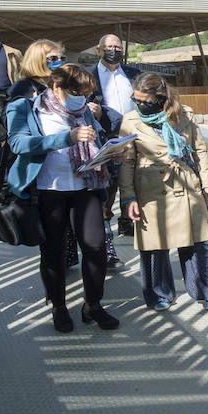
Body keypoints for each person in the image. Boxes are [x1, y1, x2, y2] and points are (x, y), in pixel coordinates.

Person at [7, 63, 119, 334]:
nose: (82, 98)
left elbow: (97, 140)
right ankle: (58, 306)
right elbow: (18, 143)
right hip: (48, 190)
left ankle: (93, 304)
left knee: (95, 247)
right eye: (76, 91)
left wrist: (112, 153)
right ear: (56, 87)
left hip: (87, 186)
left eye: (86, 93)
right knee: (53, 252)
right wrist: (65, 138)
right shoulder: (26, 108)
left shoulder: (84, 111)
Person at [117, 73, 208, 312]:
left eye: (145, 102)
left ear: (160, 99)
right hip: (150, 188)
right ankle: (159, 294)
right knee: (154, 246)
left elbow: (199, 150)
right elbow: (126, 162)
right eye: (135, 100)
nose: (139, 105)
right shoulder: (129, 121)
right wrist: (128, 198)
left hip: (186, 185)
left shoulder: (185, 114)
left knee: (200, 241)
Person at [90, 33, 140, 267]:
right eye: (109, 46)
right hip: (105, 138)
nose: (114, 50)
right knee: (107, 188)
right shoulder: (89, 75)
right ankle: (107, 243)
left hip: (133, 135)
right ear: (99, 50)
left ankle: (127, 222)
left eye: (117, 46)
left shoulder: (132, 74)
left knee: (132, 181)